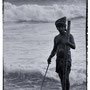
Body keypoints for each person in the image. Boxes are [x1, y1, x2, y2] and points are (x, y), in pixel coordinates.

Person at [47, 17, 76, 90]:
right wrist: (50, 57)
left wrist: (68, 43)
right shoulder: (56, 38)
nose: (60, 28)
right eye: (58, 27)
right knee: (61, 77)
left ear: (65, 27)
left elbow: (74, 46)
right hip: (59, 60)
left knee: (65, 77)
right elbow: (54, 50)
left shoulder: (69, 36)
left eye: (61, 27)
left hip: (66, 59)